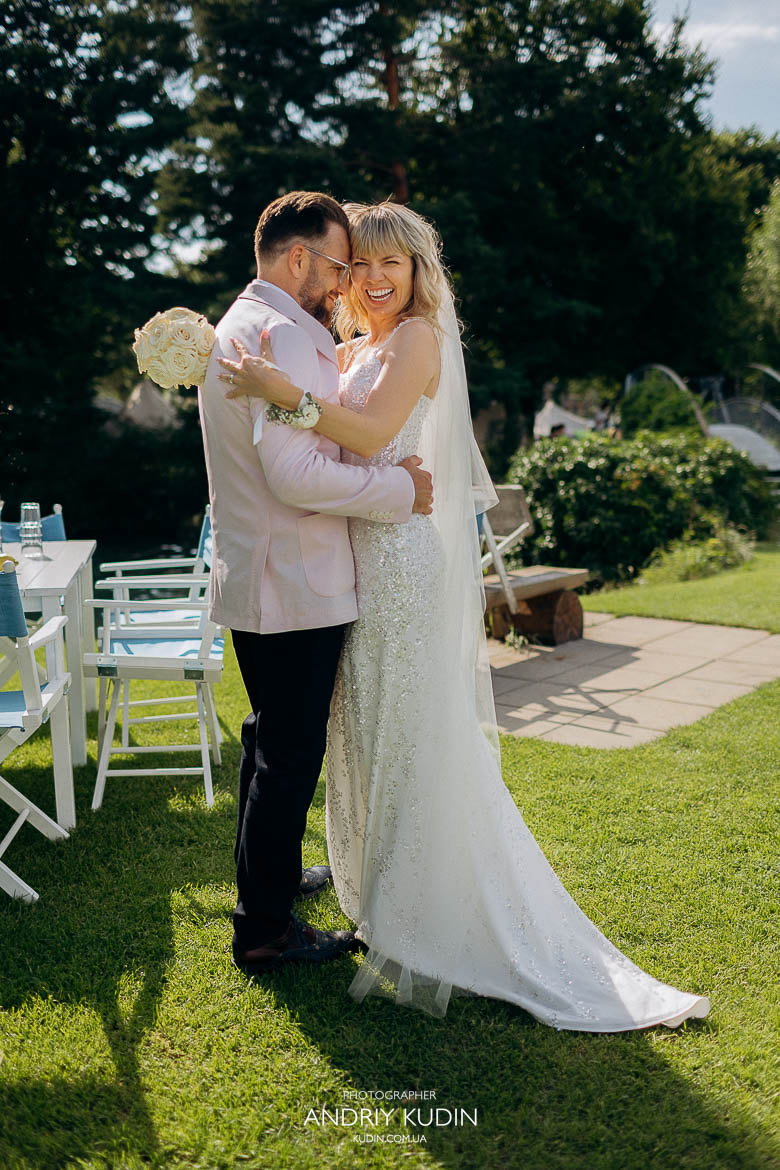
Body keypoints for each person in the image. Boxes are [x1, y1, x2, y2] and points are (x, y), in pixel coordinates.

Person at [219, 200, 710, 1032]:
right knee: (368, 729)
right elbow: (336, 442)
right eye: (360, 266)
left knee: (414, 730)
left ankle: (433, 907)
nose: (373, 280)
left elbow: (371, 432)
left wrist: (284, 394)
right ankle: (381, 888)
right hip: (355, 564)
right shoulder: (349, 346)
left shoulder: (415, 339)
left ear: (418, 273)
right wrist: (295, 389)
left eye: (391, 266)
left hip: (401, 562)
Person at [198, 191, 434, 975]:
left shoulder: (235, 325)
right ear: (298, 257)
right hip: (295, 579)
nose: (343, 286)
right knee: (288, 753)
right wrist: (397, 491)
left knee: (269, 741)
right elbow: (296, 475)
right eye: (338, 266)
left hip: (253, 574)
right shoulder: (288, 337)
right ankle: (264, 929)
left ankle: (265, 884)